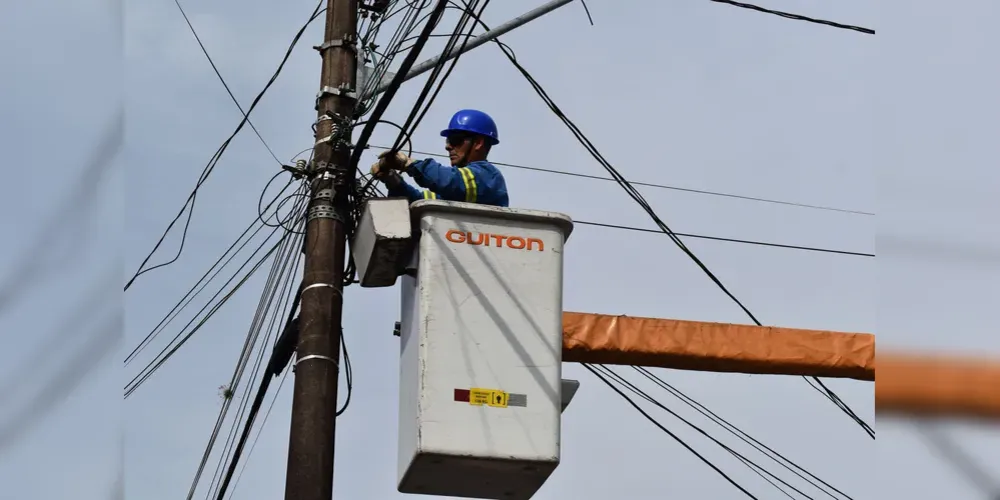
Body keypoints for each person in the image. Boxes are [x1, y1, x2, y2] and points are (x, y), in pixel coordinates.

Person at [369, 109, 510, 207]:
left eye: (455, 140)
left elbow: (450, 180)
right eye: (448, 141)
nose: (448, 147)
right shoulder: (455, 193)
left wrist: (409, 163)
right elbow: (419, 201)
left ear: (478, 143)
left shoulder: (488, 177)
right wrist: (392, 179)